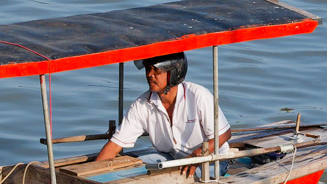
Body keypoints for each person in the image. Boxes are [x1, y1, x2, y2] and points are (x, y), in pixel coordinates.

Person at [90, 53, 231, 166]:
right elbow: (115, 145)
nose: (150, 75)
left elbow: (224, 134)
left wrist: (195, 157)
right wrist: (92, 175)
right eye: (148, 69)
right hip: (172, 158)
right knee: (135, 166)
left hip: (211, 160)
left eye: (156, 70)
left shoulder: (198, 95)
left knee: (185, 179)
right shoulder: (142, 105)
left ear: (174, 74)